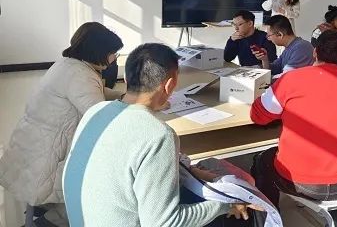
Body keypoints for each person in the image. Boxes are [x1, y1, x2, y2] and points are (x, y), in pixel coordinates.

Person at [63, 43, 257, 226]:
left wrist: (186, 170)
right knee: (237, 212)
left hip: (82, 220)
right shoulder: (158, 135)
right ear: (169, 85)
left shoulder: (96, 111)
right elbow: (163, 223)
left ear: (127, 79)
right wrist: (226, 205)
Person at [0, 22, 123, 227]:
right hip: (46, 162)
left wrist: (123, 97)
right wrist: (135, 107)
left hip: (29, 153)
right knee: (99, 192)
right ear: (99, 52)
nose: (114, 59)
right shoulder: (80, 75)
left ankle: (45, 218)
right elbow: (99, 117)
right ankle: (48, 222)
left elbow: (96, 92)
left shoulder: (67, 65)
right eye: (113, 53)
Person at [250, 31, 337, 227]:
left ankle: (270, 219)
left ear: (315, 52)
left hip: (302, 181)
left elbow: (258, 116)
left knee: (262, 161)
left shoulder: (291, 79)